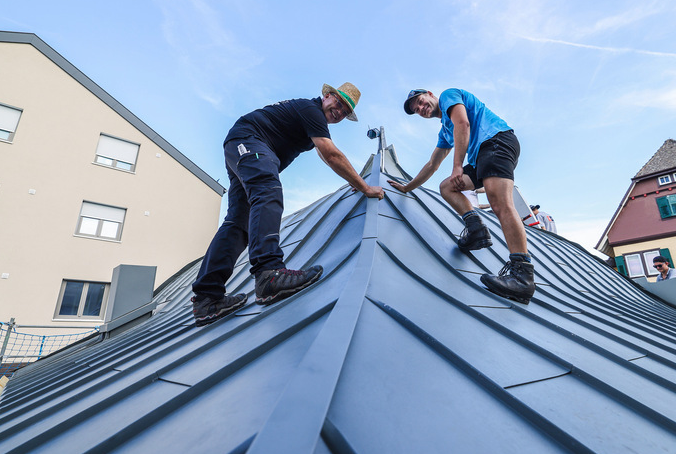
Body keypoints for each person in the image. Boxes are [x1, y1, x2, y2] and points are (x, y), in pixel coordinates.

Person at [191, 83, 385, 326]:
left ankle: (207, 298)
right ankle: (269, 274)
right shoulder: (311, 109)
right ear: (327, 96)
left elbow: (323, 154)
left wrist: (352, 180)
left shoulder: (310, 117)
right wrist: (365, 186)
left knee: (239, 221)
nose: (340, 111)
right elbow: (331, 153)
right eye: (339, 103)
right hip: (249, 141)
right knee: (267, 189)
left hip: (240, 147)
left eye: (346, 111)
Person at [388, 88, 535, 304]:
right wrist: (407, 188)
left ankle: (523, 276)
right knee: (447, 187)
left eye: (420, 102)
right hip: (481, 156)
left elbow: (463, 124)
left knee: (500, 202)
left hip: (496, 141)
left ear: (430, 94)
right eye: (416, 110)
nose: (420, 109)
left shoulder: (449, 95)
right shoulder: (446, 130)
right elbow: (432, 164)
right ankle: (477, 231)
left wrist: (457, 166)